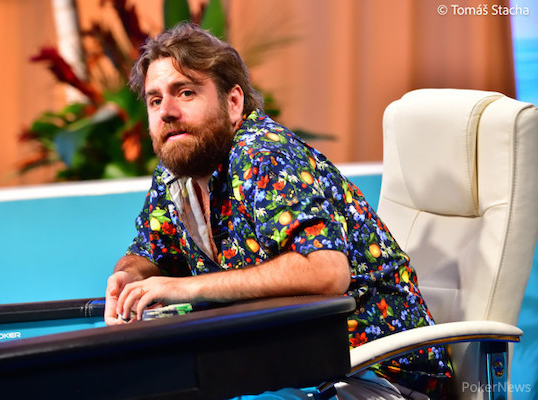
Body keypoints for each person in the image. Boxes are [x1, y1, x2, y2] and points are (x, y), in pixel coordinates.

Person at [104, 23, 452, 400]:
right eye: (155, 101)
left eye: (185, 92)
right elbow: (150, 251)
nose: (167, 112)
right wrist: (128, 277)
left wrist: (179, 288)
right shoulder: (175, 173)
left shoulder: (265, 155)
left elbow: (325, 271)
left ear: (233, 102)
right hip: (285, 368)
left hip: (374, 371)